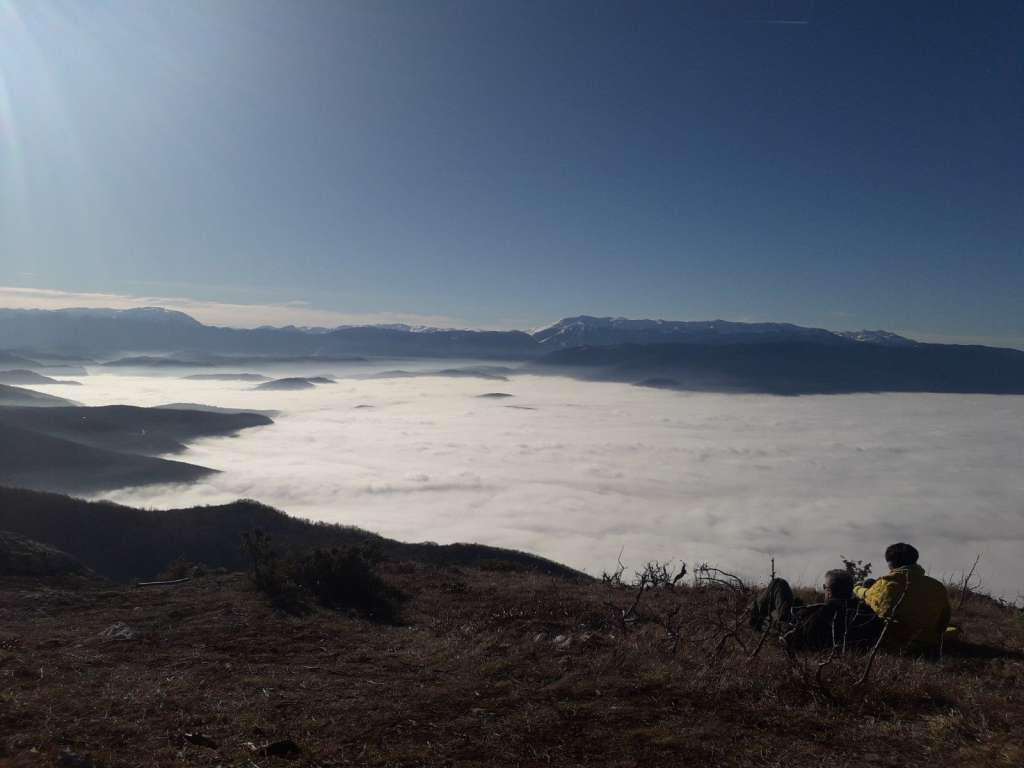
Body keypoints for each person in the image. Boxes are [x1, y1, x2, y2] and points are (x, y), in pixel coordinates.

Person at [852, 542, 951, 654]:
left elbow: (867, 596)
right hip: (930, 642)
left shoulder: (886, 584)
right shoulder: (937, 586)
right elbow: (944, 619)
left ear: (890, 564)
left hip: (896, 644)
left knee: (863, 602)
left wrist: (856, 588)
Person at [751, 569, 882, 652]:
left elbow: (794, 639)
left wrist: (773, 626)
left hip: (792, 624)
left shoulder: (821, 613)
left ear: (829, 591)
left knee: (778, 584)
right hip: (847, 642)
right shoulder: (867, 613)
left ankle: (753, 621)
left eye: (824, 587)